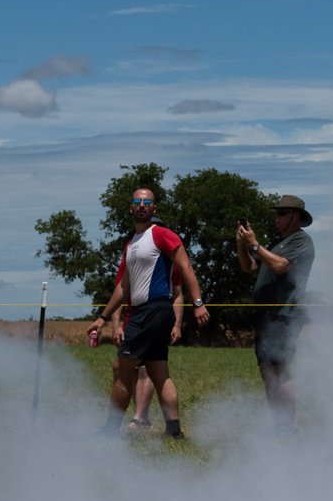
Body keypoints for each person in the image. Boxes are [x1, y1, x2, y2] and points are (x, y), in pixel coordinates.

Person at [88, 187, 209, 437]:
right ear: (131, 208)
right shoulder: (131, 244)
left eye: (147, 202)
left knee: (122, 366)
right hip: (144, 311)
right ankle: (174, 432)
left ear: (154, 209)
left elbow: (185, 267)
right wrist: (102, 318)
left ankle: (109, 431)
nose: (142, 204)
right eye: (137, 201)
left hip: (153, 311)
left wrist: (198, 304)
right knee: (158, 371)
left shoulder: (161, 234)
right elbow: (123, 287)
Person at [236, 194, 315, 431]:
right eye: (276, 213)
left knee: (279, 368)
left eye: (282, 214)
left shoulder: (301, 241)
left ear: (297, 217)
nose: (276, 218)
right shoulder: (276, 243)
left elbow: (280, 266)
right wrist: (242, 244)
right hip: (266, 315)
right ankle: (278, 423)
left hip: (284, 314)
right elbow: (247, 266)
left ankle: (286, 426)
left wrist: (254, 245)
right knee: (267, 370)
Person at [111, 274, 184, 431]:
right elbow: (120, 291)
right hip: (134, 317)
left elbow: (178, 292)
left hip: (150, 316)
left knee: (139, 367)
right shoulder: (131, 254)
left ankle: (136, 419)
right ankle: (172, 429)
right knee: (144, 368)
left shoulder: (168, 261)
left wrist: (177, 324)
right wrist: (116, 324)